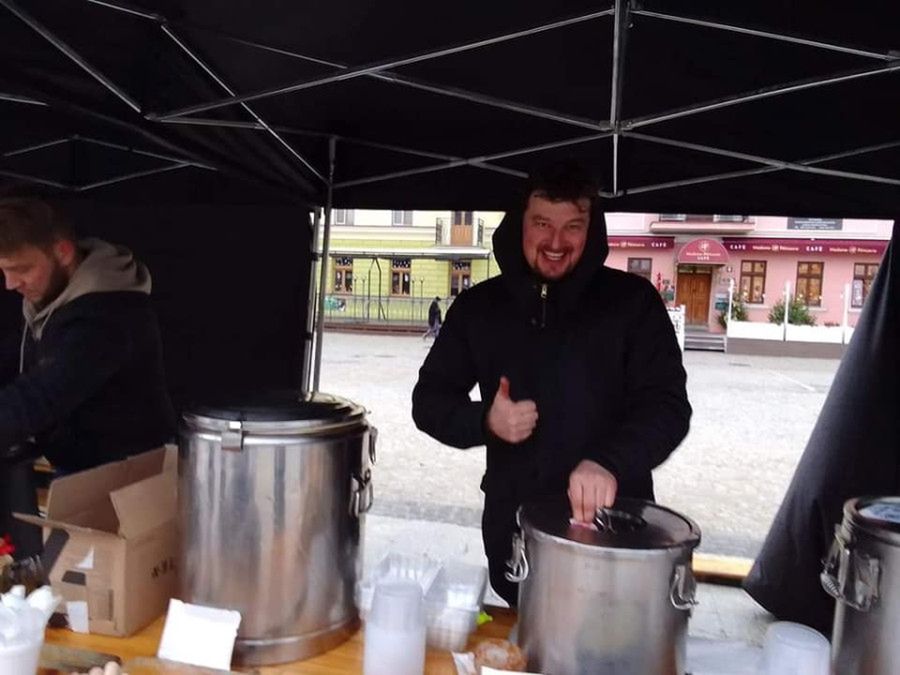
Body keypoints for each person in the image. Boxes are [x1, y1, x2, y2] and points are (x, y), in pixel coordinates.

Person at [411, 162, 691, 605]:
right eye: (542, 224)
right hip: (517, 534)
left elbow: (668, 407)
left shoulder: (633, 305)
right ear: (519, 223)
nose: (556, 243)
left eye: (572, 227)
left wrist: (610, 462)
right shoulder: (478, 309)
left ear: (591, 229)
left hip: (616, 533)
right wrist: (485, 421)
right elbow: (428, 402)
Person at [0, 197, 176, 556]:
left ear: (63, 252)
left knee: (95, 597)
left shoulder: (106, 316)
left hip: (125, 481)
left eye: (21, 268)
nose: (9, 283)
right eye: (3, 270)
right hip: (84, 470)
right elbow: (23, 360)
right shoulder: (59, 297)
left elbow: (42, 394)